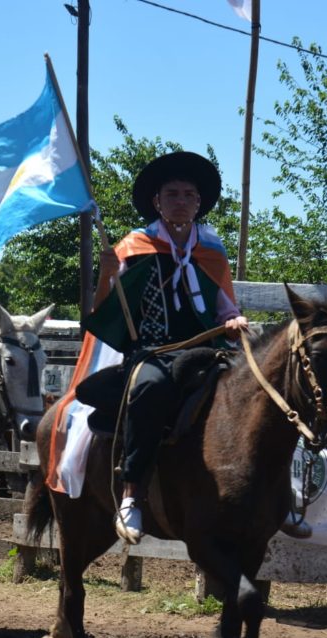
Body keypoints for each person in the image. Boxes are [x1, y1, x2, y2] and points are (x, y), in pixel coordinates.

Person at [88, 151, 250, 544]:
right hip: (152, 351)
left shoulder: (212, 252)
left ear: (198, 203)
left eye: (188, 195)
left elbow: (225, 308)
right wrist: (107, 274)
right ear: (157, 202)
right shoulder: (133, 247)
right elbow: (102, 311)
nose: (181, 201)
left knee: (258, 390)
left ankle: (271, 494)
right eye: (172, 194)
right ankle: (131, 494)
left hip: (206, 351)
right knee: (151, 387)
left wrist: (233, 321)